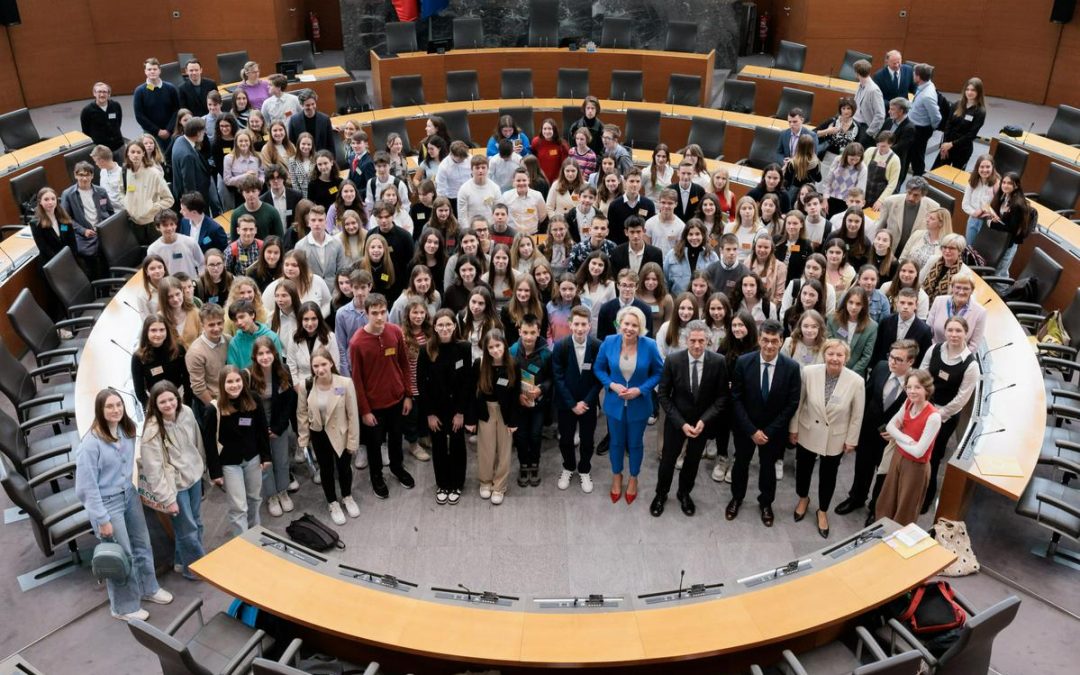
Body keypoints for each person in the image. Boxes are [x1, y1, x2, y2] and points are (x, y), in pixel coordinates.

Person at [76, 389, 173, 621]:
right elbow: (85, 488)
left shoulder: (126, 431)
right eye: (109, 406)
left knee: (143, 544)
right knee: (123, 555)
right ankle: (123, 607)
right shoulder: (90, 445)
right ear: (100, 410)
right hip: (107, 503)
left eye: (118, 405)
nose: (115, 410)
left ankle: (148, 588)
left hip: (128, 495)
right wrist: (102, 519)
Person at [727, 319, 802, 527]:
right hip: (745, 428)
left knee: (768, 468)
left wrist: (768, 431)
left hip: (773, 431)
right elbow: (736, 398)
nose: (769, 345)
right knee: (740, 464)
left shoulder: (791, 368)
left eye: (774, 341)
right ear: (759, 339)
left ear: (781, 342)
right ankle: (736, 498)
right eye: (765, 340)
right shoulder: (743, 362)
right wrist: (751, 430)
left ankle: (766, 503)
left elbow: (792, 403)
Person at [651, 320, 729, 518]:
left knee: (692, 462)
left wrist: (704, 420)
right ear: (685, 340)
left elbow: (721, 397)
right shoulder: (673, 360)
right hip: (677, 422)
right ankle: (661, 494)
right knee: (668, 461)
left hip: (701, 424)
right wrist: (681, 423)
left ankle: (684, 493)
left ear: (708, 341)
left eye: (701, 341)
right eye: (693, 340)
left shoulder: (718, 361)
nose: (696, 345)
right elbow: (663, 395)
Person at [788, 339, 865, 538]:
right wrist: (794, 428)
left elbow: (857, 415)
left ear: (846, 358)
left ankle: (822, 510)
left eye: (840, 355)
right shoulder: (809, 372)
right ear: (824, 354)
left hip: (835, 437)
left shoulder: (856, 381)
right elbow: (799, 402)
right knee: (803, 469)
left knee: (828, 476)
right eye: (831, 354)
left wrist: (851, 440)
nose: (835, 358)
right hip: (808, 430)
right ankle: (803, 498)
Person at [348, 294, 417, 499]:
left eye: (383, 312)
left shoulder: (395, 332)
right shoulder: (357, 343)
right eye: (374, 313)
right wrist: (365, 411)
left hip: (396, 400)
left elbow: (404, 364)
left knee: (396, 439)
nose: (380, 317)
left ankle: (397, 468)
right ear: (366, 314)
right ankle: (376, 476)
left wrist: (408, 395)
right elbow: (357, 381)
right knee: (374, 445)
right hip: (373, 406)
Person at [594, 306, 664, 505]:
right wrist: (611, 385)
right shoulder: (609, 342)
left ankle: (633, 477)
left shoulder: (649, 345)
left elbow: (659, 372)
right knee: (615, 442)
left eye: (635, 325)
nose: (630, 328)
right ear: (619, 324)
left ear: (641, 327)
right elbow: (599, 368)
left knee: (635, 443)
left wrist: (641, 389)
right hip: (614, 404)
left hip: (639, 405)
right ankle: (617, 476)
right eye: (626, 323)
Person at [139, 381, 206, 581]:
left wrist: (201, 468)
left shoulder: (186, 412)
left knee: (195, 521)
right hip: (175, 486)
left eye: (171, 399)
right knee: (188, 528)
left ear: (177, 398)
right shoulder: (152, 432)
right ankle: (195, 568)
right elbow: (154, 471)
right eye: (163, 402)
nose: (168, 405)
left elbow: (197, 441)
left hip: (193, 477)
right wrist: (168, 499)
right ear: (155, 405)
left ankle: (180, 561)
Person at [203, 365, 272, 535]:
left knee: (255, 498)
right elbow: (209, 443)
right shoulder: (213, 409)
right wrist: (215, 473)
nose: (234, 385)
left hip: (252, 458)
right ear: (222, 384)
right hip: (229, 463)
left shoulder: (253, 399)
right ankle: (243, 543)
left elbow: (262, 430)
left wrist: (265, 456)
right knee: (238, 507)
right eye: (229, 382)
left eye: (237, 380)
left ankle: (255, 533)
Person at [920, 316, 979, 514]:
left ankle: (927, 496)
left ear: (966, 333)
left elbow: (962, 399)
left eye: (958, 331)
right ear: (945, 332)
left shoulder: (970, 365)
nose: (954, 334)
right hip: (923, 407)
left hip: (945, 417)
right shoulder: (934, 349)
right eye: (950, 330)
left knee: (933, 457)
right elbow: (922, 373)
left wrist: (937, 414)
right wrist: (924, 405)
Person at [296, 347, 361, 525]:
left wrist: (353, 442)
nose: (320, 369)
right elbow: (301, 414)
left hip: (341, 434)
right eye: (315, 366)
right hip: (319, 434)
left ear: (331, 363)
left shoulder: (345, 384)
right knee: (326, 470)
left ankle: (347, 496)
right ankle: (332, 502)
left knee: (344, 468)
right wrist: (303, 439)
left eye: (323, 364)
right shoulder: (306, 385)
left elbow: (353, 414)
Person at [417, 309, 473, 504]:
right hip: (436, 408)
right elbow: (421, 384)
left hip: (456, 408)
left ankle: (457, 483)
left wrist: (460, 412)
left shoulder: (464, 348)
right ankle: (442, 483)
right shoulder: (426, 350)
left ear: (454, 326)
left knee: (457, 444)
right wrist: (430, 414)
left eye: (448, 324)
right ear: (434, 327)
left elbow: (467, 382)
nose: (444, 328)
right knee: (439, 445)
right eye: (440, 325)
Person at [876, 369, 941, 526]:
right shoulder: (908, 403)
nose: (912, 391)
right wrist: (906, 439)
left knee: (906, 507)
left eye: (917, 387)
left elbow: (919, 452)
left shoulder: (933, 417)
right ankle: (881, 530)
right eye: (909, 387)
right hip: (898, 456)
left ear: (927, 389)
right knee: (888, 497)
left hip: (916, 467)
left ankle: (897, 540)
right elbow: (891, 426)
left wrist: (898, 438)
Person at [551, 306, 602, 493]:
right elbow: (558, 378)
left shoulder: (597, 346)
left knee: (588, 439)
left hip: (588, 402)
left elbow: (599, 379)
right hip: (566, 404)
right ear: (570, 324)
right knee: (565, 439)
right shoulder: (561, 346)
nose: (580, 328)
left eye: (584, 324)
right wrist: (572, 404)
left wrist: (586, 402)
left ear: (590, 325)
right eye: (576, 324)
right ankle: (568, 466)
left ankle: (584, 469)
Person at [467, 329, 520, 505]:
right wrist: (471, 420)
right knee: (486, 448)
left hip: (505, 413)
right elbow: (473, 395)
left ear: (504, 345)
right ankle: (485, 481)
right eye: (491, 347)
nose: (495, 350)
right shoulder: (479, 364)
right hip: (486, 412)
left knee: (504, 450)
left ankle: (499, 485)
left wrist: (513, 420)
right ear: (486, 349)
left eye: (498, 345)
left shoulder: (513, 365)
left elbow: (515, 396)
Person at [246, 336, 297, 518]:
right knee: (265, 464)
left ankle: (282, 490)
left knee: (282, 461)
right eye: (261, 353)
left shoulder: (284, 370)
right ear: (255, 356)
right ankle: (272, 496)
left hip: (279, 425)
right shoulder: (249, 376)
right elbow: (248, 407)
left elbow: (289, 402)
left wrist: (278, 428)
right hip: (258, 427)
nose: (265, 357)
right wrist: (260, 431)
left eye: (268, 352)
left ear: (274, 354)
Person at [509, 315, 551, 487]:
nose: (528, 337)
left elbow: (551, 379)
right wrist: (517, 394)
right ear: (519, 331)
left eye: (532, 332)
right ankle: (523, 465)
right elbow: (507, 378)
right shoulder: (511, 351)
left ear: (538, 332)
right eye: (524, 332)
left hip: (538, 405)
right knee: (521, 436)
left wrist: (541, 389)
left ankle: (534, 464)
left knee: (535, 436)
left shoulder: (546, 354)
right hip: (518, 404)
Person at [185, 303, 231, 422]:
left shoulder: (229, 340)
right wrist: (217, 408)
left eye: (219, 323)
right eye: (211, 325)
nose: (216, 328)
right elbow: (198, 387)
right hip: (211, 404)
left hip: (231, 396)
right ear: (202, 325)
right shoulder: (195, 352)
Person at [985, 171, 1033, 275]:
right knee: (1001, 271)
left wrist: (992, 224)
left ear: (1016, 186)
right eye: (1004, 182)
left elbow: (1012, 228)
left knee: (999, 272)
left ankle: (1001, 291)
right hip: (1001, 240)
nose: (1005, 185)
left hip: (1009, 244)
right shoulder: (1004, 197)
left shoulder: (1017, 204)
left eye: (1009, 183)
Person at [877, 176, 940, 254]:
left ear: (923, 195)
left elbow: (934, 232)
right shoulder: (890, 202)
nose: (911, 198)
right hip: (890, 249)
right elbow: (879, 226)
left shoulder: (934, 207)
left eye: (916, 195)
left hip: (913, 252)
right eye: (909, 193)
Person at [871, 288, 932, 368]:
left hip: (908, 372)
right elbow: (877, 348)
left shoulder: (924, 330)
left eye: (910, 303)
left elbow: (923, 357)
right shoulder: (886, 321)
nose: (905, 306)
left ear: (916, 305)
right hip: (884, 368)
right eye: (902, 302)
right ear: (896, 303)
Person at [935, 78, 987, 170]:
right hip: (947, 146)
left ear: (979, 92)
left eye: (973, 90)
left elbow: (971, 135)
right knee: (936, 172)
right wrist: (945, 145)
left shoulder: (980, 112)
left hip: (962, 150)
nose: (969, 92)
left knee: (953, 179)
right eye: (967, 89)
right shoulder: (957, 104)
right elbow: (948, 124)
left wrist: (951, 144)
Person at [171, 118, 219, 215]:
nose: (204, 133)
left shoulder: (180, 140)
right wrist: (194, 206)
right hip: (195, 201)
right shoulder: (187, 155)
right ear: (197, 133)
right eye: (203, 131)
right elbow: (189, 184)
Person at [905, 64, 942, 178]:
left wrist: (930, 128)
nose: (912, 76)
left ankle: (917, 180)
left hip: (920, 130)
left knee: (917, 158)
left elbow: (937, 117)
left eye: (914, 74)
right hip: (915, 126)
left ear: (918, 77)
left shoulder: (927, 95)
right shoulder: (925, 85)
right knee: (910, 155)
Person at [133, 58, 179, 143]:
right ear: (145, 71)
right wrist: (158, 131)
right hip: (151, 136)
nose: (152, 71)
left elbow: (176, 110)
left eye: (155, 69)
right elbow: (139, 115)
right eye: (149, 69)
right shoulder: (139, 91)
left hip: (171, 133)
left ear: (159, 71)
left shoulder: (171, 88)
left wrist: (168, 130)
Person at [919, 233, 973, 304]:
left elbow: (961, 297)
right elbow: (919, 281)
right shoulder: (933, 260)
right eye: (944, 247)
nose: (947, 251)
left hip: (944, 308)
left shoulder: (965, 272)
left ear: (960, 251)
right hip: (921, 303)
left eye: (951, 248)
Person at [900, 206, 952, 271]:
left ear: (941, 223)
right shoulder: (917, 234)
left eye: (932, 219)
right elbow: (902, 258)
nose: (927, 220)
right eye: (928, 217)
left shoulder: (948, 244)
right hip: (906, 275)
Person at [81, 82, 125, 152]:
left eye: (105, 92)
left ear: (109, 94)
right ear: (94, 93)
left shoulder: (116, 105)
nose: (102, 95)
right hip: (101, 150)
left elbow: (118, 123)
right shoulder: (87, 110)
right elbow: (85, 131)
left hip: (118, 146)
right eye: (99, 92)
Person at [881, 98, 916, 185]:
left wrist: (882, 149)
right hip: (882, 159)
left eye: (892, 109)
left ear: (901, 111)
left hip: (896, 163)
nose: (889, 111)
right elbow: (879, 137)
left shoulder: (909, 128)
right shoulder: (888, 121)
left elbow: (900, 147)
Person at [852, 60, 885, 142]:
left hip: (865, 128)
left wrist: (869, 133)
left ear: (857, 73)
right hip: (855, 124)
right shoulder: (860, 85)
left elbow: (880, 115)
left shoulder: (873, 90)